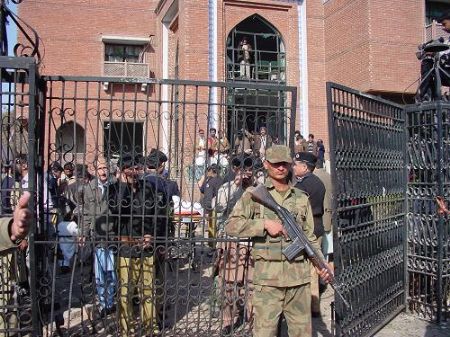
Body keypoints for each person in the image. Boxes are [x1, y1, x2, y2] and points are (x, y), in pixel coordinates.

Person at [226, 145, 331, 337]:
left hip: (298, 282)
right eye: (276, 164)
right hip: (268, 282)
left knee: (302, 333)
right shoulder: (254, 195)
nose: (281, 168)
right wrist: (263, 224)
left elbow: (309, 237)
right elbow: (231, 226)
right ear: (266, 164)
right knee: (265, 333)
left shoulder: (300, 198)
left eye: (284, 163)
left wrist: (320, 264)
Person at [213, 155, 256, 335]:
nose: (244, 173)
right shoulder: (226, 188)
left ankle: (254, 318)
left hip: (253, 241)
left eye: (248, 169)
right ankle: (228, 320)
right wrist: (236, 186)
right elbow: (218, 207)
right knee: (229, 283)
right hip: (231, 241)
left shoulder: (258, 189)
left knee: (253, 283)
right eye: (240, 169)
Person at [292, 152, 326, 317]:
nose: (293, 167)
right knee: (315, 267)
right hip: (318, 226)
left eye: (296, 164)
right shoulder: (318, 182)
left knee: (304, 268)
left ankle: (306, 305)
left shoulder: (301, 185)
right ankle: (314, 306)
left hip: (306, 228)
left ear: (305, 167)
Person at [417, 11, 450, 101]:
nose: (443, 28)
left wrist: (439, 55)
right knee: (428, 62)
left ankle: (428, 96)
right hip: (446, 71)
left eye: (444, 24)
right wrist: (432, 53)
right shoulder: (447, 40)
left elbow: (447, 55)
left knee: (433, 69)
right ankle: (428, 96)